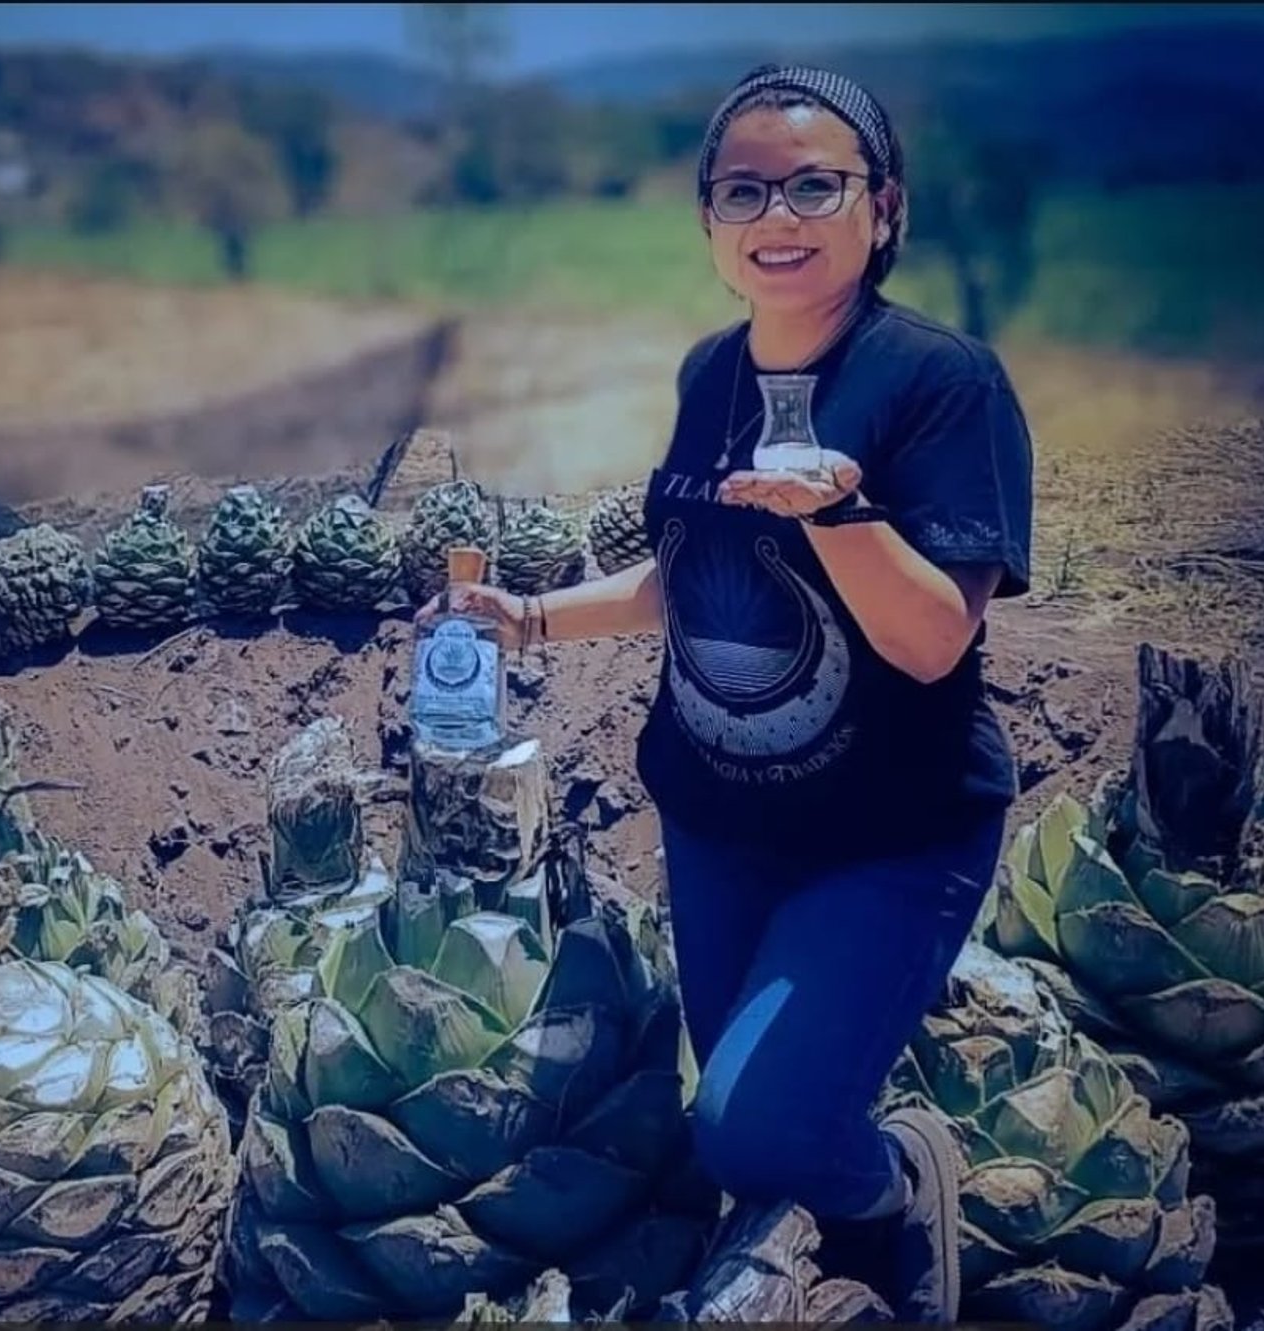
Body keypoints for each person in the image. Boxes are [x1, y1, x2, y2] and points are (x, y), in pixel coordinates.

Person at [416, 63, 1035, 1324]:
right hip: (718, 825)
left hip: (888, 836)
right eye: (743, 190)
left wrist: (840, 513)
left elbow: (933, 639)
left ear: (884, 206)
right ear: (709, 219)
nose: (776, 216)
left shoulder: (940, 382)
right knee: (747, 1119)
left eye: (815, 185)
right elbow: (696, 572)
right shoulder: (712, 374)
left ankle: (897, 1180)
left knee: (757, 1127)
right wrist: (528, 617)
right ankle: (835, 1246)